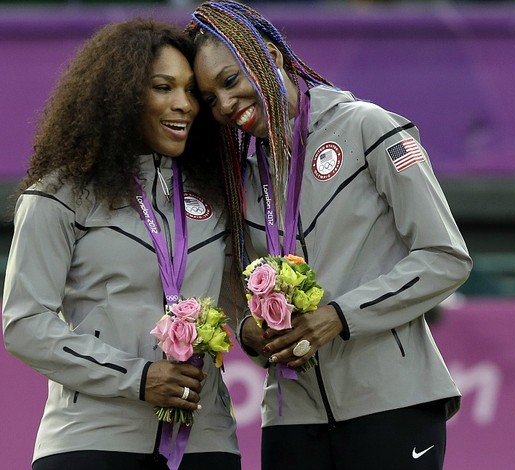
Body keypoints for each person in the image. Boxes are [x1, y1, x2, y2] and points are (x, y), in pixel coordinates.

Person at [187, 2, 472, 469]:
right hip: (291, 414)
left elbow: (445, 257)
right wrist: (248, 332)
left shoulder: (368, 127)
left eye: (231, 81)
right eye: (210, 98)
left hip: (390, 400)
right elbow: (228, 279)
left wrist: (339, 316)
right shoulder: (239, 172)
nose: (225, 105)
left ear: (272, 57)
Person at [2, 19, 241, 470]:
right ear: (121, 96)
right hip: (92, 440)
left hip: (205, 441)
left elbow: (235, 306)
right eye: (163, 87)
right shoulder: (58, 194)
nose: (183, 104)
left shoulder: (215, 194)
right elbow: (25, 323)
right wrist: (138, 378)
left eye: (191, 91)